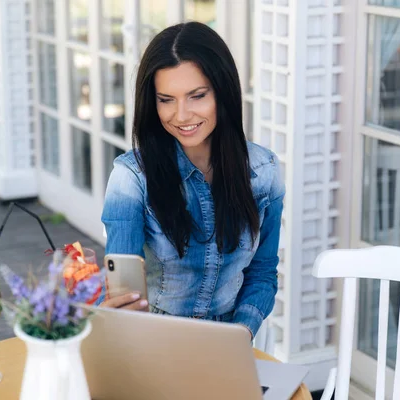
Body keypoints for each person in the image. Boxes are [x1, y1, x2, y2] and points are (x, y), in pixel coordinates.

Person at [97, 22, 285, 340]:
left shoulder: (264, 171)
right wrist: (121, 315)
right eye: (166, 99)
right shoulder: (131, 179)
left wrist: (239, 335)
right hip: (156, 341)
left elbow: (262, 274)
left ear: (222, 93)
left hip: (230, 343)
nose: (182, 115)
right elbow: (124, 297)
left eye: (196, 96)